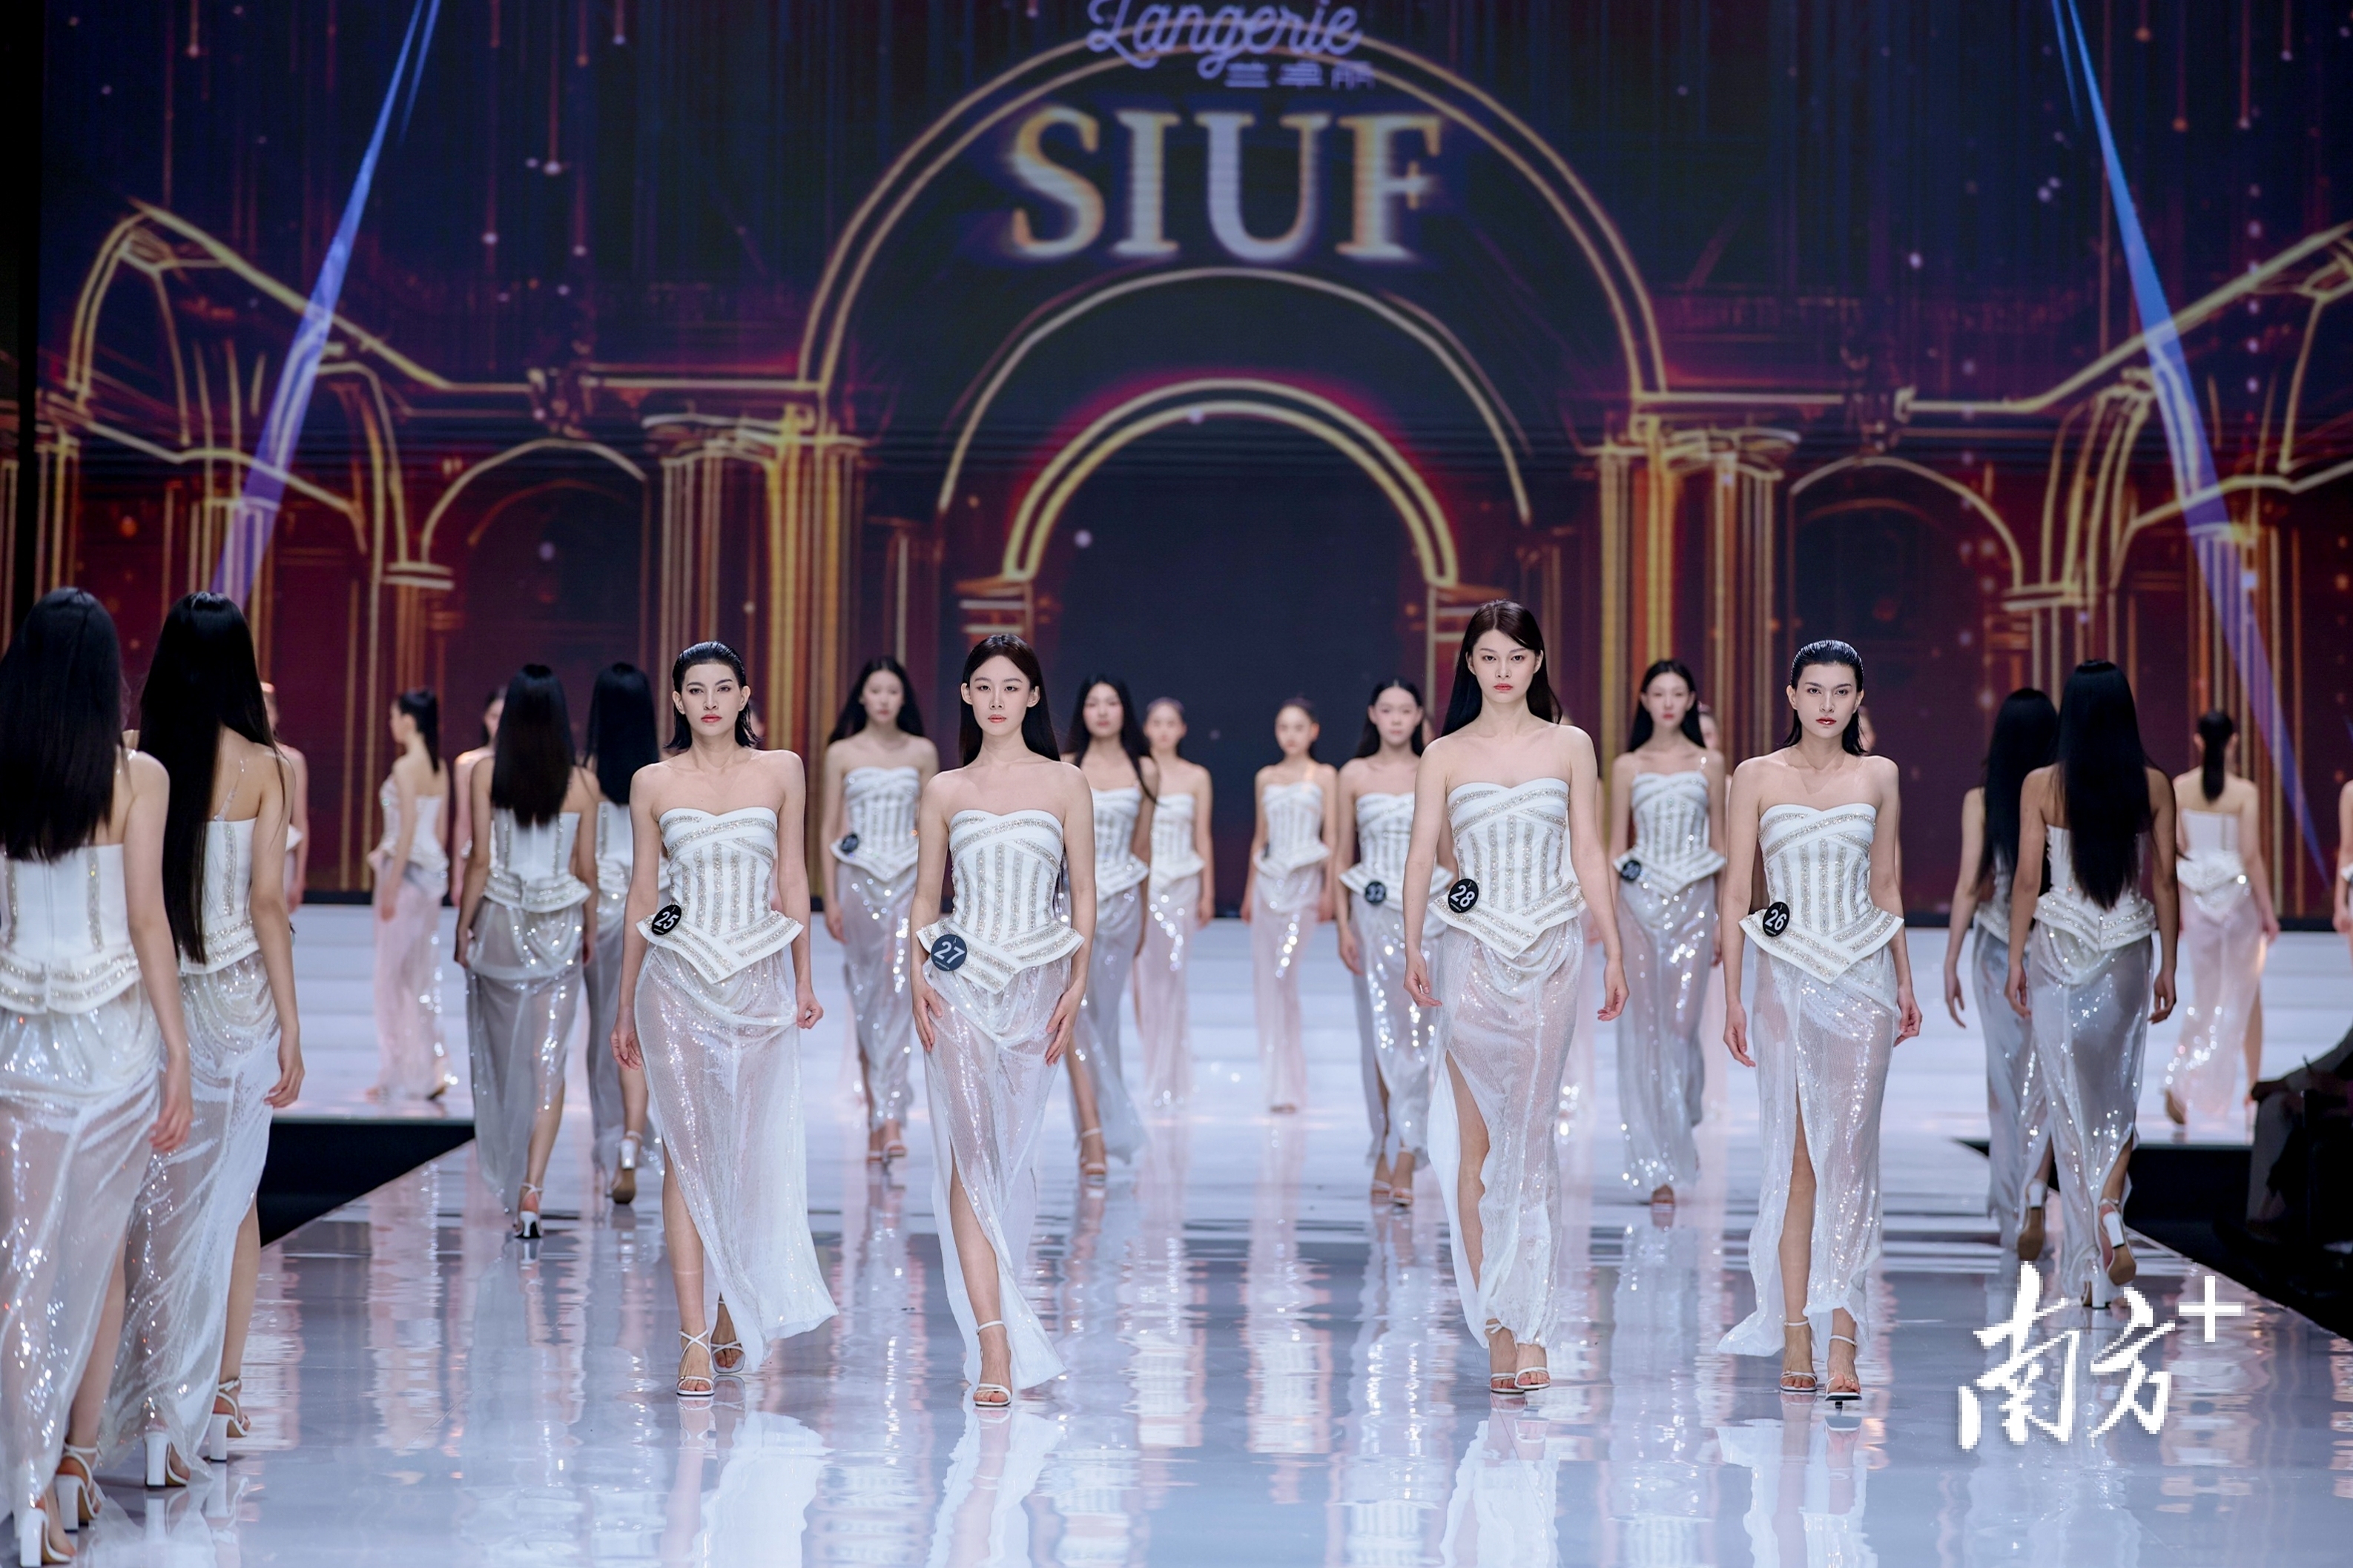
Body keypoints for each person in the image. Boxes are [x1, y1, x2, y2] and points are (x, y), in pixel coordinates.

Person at [0, 589, 191, 1566]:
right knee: (95, 1259)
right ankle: (72, 1463)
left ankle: (31, 1486)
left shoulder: (8, 767)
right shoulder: (139, 776)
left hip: (17, 1041)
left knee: (22, 1266)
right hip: (113, 1039)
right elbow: (148, 919)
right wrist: (179, 1052)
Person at [105, 593, 304, 1489]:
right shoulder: (265, 765)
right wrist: (292, 1025)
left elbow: (130, 901)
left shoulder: (136, 759)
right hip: (239, 1008)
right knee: (233, 1201)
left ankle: (151, 1408)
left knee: (152, 1204)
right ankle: (217, 1398)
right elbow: (266, 904)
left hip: (154, 1005)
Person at [1403, 601, 1627, 1397]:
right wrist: (1410, 944)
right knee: (1476, 1148)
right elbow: (1421, 854)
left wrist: (1613, 947)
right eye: (1488, 656)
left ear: (1536, 662)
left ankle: (1530, 1323)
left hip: (1551, 954)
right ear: (1468, 663)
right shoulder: (1442, 753)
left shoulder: (1570, 745)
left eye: (1516, 656)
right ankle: (1497, 1323)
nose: (1502, 670)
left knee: (1529, 1142)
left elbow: (1588, 850)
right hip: (1468, 952)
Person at [612, 641, 834, 1398]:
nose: (709, 701)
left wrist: (804, 977)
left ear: (743, 695)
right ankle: (692, 1337)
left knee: (744, 1156)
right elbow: (644, 896)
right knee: (687, 1155)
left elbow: (793, 876)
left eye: (722, 687)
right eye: (695, 690)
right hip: (673, 984)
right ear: (677, 701)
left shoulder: (782, 769)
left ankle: (732, 1298)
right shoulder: (652, 781)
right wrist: (623, 1005)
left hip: (758, 985)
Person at [1718, 640, 1921, 1403]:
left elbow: (1886, 882)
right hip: (1785, 981)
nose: (1826, 704)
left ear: (1858, 697)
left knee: (1850, 1160)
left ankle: (1843, 1336)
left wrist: (1906, 980)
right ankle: (1795, 1330)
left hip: (1864, 978)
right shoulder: (1753, 776)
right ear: (1791, 695)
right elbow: (1736, 889)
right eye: (1813, 690)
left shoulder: (1878, 775)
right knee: (1797, 1160)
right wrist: (1732, 996)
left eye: (1840, 691)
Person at [910, 635, 1092, 1409]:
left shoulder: (1066, 783)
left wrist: (1077, 985)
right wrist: (913, 976)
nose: (995, 699)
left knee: (1012, 1160)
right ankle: (991, 1340)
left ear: (1032, 697)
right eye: (982, 686)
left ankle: (1001, 1307)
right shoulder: (944, 789)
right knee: (970, 1153)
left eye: (1010, 686)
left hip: (1036, 985)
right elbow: (926, 895)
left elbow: (1084, 893)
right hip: (957, 982)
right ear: (964, 695)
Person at [2006, 661, 2178, 1308]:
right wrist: (2169, 963)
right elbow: (2165, 881)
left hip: (2057, 947)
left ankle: (2087, 1263)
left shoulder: (2040, 784)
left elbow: (2028, 880)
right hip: (2127, 947)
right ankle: (2109, 1205)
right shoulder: (2152, 784)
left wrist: (2015, 958)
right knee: (2118, 1094)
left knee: (2068, 1099)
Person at [455, 666, 598, 1237]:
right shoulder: (582, 782)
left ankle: (511, 1169)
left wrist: (463, 928)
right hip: (560, 925)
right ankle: (532, 1185)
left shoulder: (486, 772)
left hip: (499, 924)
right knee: (548, 1058)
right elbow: (585, 869)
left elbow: (479, 860)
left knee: (503, 1057)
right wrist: (590, 929)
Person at [1941, 689, 2060, 1260]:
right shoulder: (2063, 791)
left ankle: (2014, 1206)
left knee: (2005, 1082)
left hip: (1994, 948)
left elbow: (1971, 883)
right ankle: (2036, 1193)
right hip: (2058, 945)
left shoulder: (1981, 799)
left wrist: (1949, 958)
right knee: (2050, 1079)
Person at [1607, 659, 1726, 1208]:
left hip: (1696, 901)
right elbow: (1615, 846)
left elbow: (1721, 846)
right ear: (1644, 700)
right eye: (1659, 693)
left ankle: (1681, 1119)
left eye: (1678, 692)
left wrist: (1724, 920)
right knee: (1644, 1029)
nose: (1669, 702)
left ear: (1691, 698)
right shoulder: (1627, 765)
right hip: (1637, 902)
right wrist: (1609, 923)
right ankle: (1655, 1162)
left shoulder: (1710, 763)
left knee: (1681, 1026)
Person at [1333, 678, 1443, 1206]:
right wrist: (1341, 925)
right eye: (1387, 710)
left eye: (1405, 710)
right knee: (1380, 1030)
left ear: (1419, 715)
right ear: (1373, 715)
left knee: (1420, 1032)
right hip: (1371, 913)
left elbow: (1449, 854)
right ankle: (1386, 1137)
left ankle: (1405, 1150)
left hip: (1431, 913)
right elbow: (1340, 853)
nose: (1396, 719)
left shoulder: (1436, 766)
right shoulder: (1353, 774)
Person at [821, 657, 936, 1163]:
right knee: (867, 993)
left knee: (903, 988)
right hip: (857, 880)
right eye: (876, 690)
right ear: (862, 697)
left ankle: (891, 1118)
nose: (884, 698)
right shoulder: (842, 752)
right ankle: (875, 1112)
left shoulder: (922, 751)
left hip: (909, 878)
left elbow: (933, 826)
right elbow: (829, 828)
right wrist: (829, 898)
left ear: (903, 697)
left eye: (893, 690)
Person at [2163, 710, 2277, 1125]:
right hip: (2238, 901)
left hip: (2197, 900)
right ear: (2233, 742)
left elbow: (2177, 850)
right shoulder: (2244, 792)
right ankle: (2253, 1092)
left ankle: (2182, 1081)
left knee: (2206, 993)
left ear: (2198, 741)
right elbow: (2250, 854)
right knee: (2248, 994)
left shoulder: (2180, 787)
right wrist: (2268, 911)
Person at [1061, 675, 1153, 1179]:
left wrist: (1143, 914)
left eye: (1111, 702)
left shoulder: (1145, 768)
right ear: (1082, 710)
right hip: (1069, 904)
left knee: (1104, 1017)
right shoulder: (1065, 766)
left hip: (1123, 904)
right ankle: (1093, 1132)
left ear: (1124, 710)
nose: (1101, 711)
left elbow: (1143, 848)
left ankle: (1099, 1124)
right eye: (1092, 702)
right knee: (1072, 1012)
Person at [582, 665, 660, 1200]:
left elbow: (583, 860)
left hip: (604, 914)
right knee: (645, 1031)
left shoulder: (585, 776)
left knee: (606, 1032)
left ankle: (613, 1145)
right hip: (656, 912)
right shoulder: (661, 771)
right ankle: (635, 1134)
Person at [1244, 700, 1337, 1115]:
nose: (1291, 735)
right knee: (1268, 981)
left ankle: (1292, 1084)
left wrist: (1330, 891)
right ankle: (1278, 1085)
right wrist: (1249, 891)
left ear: (1314, 731)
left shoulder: (1326, 776)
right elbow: (1260, 837)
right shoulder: (1265, 776)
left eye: (1299, 727)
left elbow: (1333, 837)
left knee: (1284, 975)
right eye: (1284, 727)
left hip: (1305, 884)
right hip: (1267, 885)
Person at [371, 689, 455, 1101]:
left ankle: (396, 1073)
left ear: (408, 720)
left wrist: (390, 887)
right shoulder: (439, 768)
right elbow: (437, 833)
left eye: (393, 717)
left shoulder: (405, 767)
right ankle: (430, 1068)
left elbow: (405, 833)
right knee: (419, 974)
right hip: (430, 876)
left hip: (404, 877)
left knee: (392, 977)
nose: (391, 724)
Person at [1135, 699, 1212, 1109]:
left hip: (1182, 884)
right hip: (1144, 886)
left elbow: (1203, 837)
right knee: (1144, 981)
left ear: (1182, 729)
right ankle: (1155, 1070)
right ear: (1146, 728)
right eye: (1157, 723)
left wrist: (1208, 893)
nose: (1163, 730)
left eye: (1171, 723)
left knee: (1174, 978)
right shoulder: (1137, 771)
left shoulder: (1197, 776)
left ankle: (1171, 1076)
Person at [448, 689, 504, 904]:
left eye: (505, 717)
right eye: (494, 716)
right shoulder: (468, 763)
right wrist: (458, 878)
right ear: (485, 718)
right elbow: (463, 821)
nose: (499, 724)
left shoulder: (529, 763)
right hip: (479, 857)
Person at [259, 684, 309, 910]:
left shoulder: (293, 760)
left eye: (267, 711)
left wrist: (300, 876)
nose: (262, 718)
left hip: (281, 854)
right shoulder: (235, 759)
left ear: (276, 715)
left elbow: (300, 820)